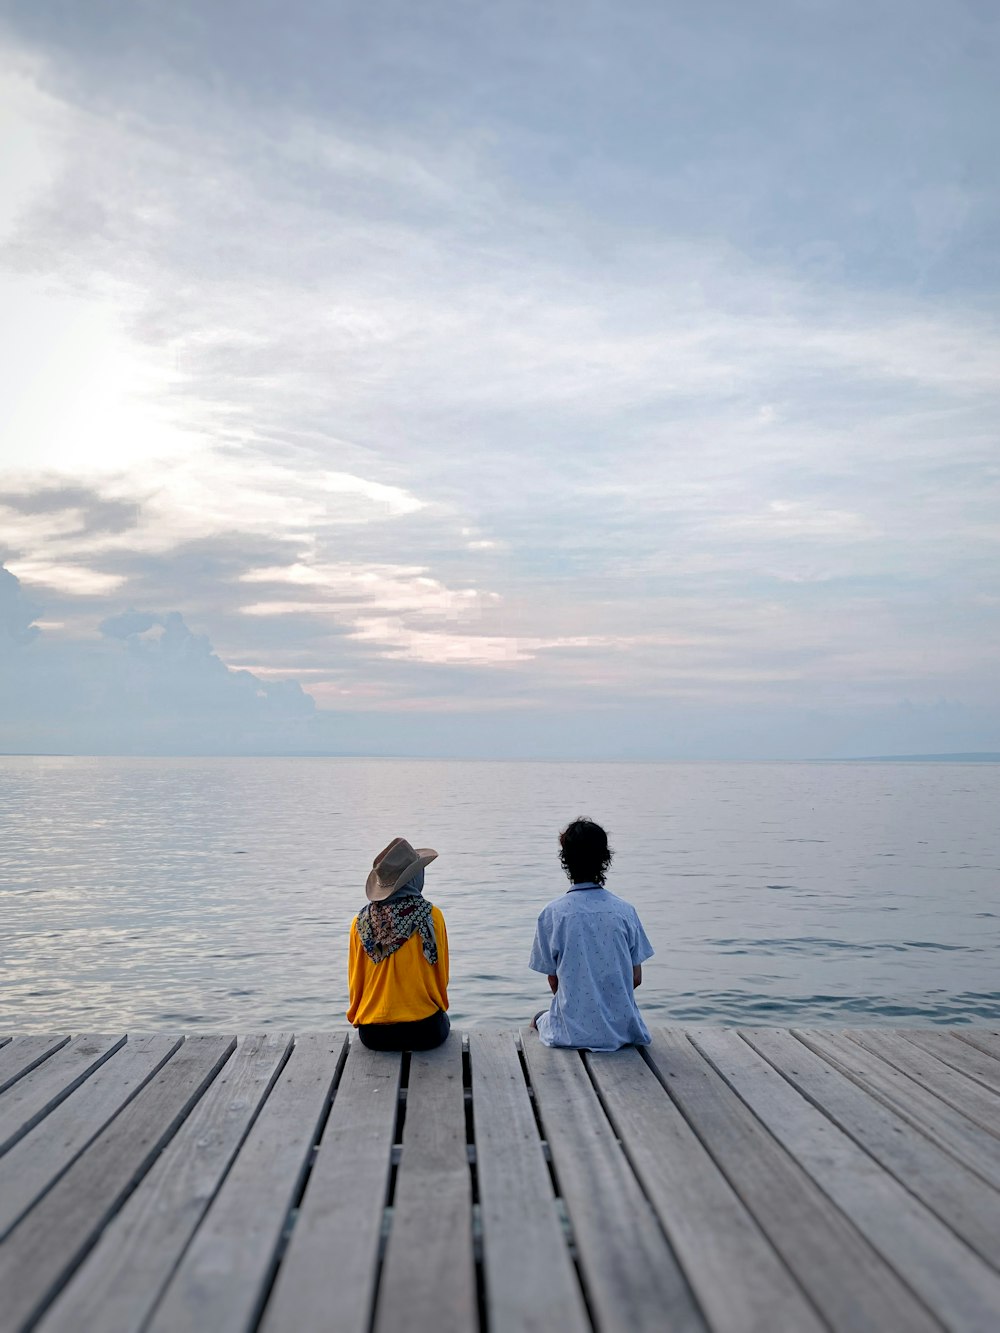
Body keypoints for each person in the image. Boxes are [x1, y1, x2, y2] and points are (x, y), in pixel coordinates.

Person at [529, 817, 653, 1051]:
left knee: (537, 1018)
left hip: (571, 1033)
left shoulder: (552, 914)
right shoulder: (625, 912)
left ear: (565, 861)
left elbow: (554, 981)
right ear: (605, 859)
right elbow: (635, 979)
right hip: (622, 1031)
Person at [347, 836, 451, 1051]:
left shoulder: (359, 923)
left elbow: (355, 982)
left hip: (373, 1035)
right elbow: (441, 975)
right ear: (415, 878)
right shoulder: (431, 916)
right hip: (425, 1031)